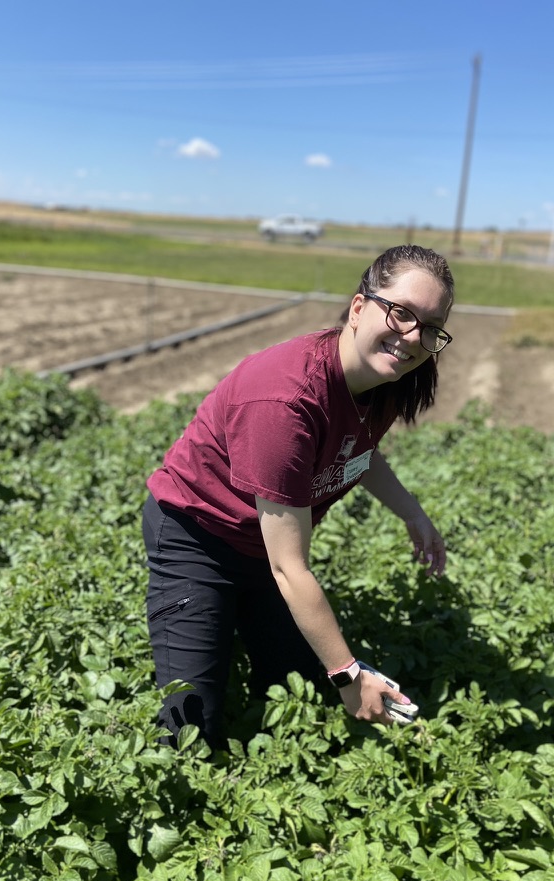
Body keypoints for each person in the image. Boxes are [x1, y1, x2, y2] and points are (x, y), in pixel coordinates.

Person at [142, 244, 453, 748]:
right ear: (359, 307)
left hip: (262, 550)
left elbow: (359, 451)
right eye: (401, 314)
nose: (413, 337)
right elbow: (290, 566)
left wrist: (412, 513)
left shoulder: (383, 381)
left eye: (431, 327)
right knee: (187, 733)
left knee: (296, 691)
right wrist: (349, 676)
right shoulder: (285, 399)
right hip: (197, 539)